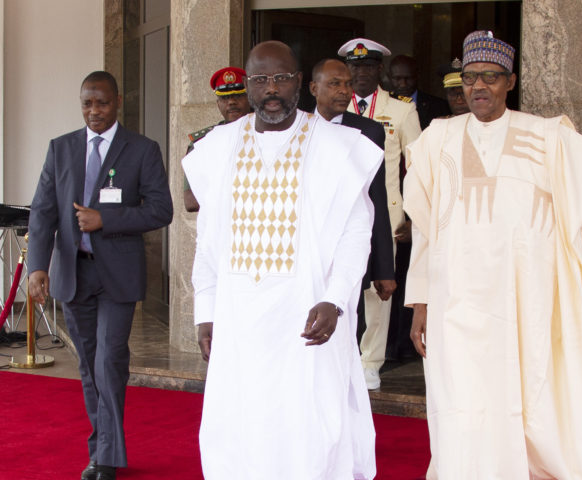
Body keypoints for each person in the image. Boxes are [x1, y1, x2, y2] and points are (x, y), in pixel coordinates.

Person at [403, 31, 582, 479]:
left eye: (490, 76)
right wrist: (421, 301)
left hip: (525, 299)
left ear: (511, 81)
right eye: (470, 78)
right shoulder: (436, 139)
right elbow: (426, 231)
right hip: (455, 302)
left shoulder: (547, 136)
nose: (479, 86)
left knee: (529, 391)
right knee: (460, 394)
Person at [183, 41, 383, 480]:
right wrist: (205, 310)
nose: (270, 89)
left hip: (309, 315)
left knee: (310, 424)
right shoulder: (217, 147)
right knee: (241, 422)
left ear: (299, 82)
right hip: (239, 319)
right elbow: (208, 239)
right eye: (260, 80)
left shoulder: (339, 146)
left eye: (281, 78)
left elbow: (356, 234)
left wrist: (337, 299)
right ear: (248, 85)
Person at [27, 71, 173, 480]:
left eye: (102, 103)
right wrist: (38, 266)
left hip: (117, 277)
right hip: (74, 275)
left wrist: (104, 219)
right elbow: (43, 212)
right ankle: (101, 450)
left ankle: (105, 457)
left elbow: (161, 210)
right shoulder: (60, 149)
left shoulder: (143, 150)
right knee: (90, 366)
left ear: (118, 102)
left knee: (109, 360)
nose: (94, 111)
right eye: (87, 104)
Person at [339, 37, 421, 390]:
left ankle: (370, 360)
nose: (360, 73)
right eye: (354, 67)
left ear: (379, 71)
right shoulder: (330, 108)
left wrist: (414, 216)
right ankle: (341, 353)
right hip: (339, 211)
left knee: (377, 288)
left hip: (384, 212)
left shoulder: (401, 111)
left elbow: (418, 168)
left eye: (368, 67)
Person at [309, 58, 396, 336]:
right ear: (314, 88)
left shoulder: (369, 131)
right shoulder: (297, 128)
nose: (344, 91)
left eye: (347, 84)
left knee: (347, 330)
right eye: (334, 84)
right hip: (307, 250)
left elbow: (376, 200)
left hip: (349, 247)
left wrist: (384, 268)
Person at [184, 66, 251, 212]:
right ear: (218, 104)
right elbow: (191, 201)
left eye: (238, 95)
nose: (232, 102)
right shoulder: (202, 143)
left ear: (250, 98)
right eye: (225, 98)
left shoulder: (266, 135)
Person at [389, 54, 450, 130]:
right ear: (389, 77)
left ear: (417, 76)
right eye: (397, 79)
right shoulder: (380, 105)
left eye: (408, 78)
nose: (403, 84)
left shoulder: (439, 106)